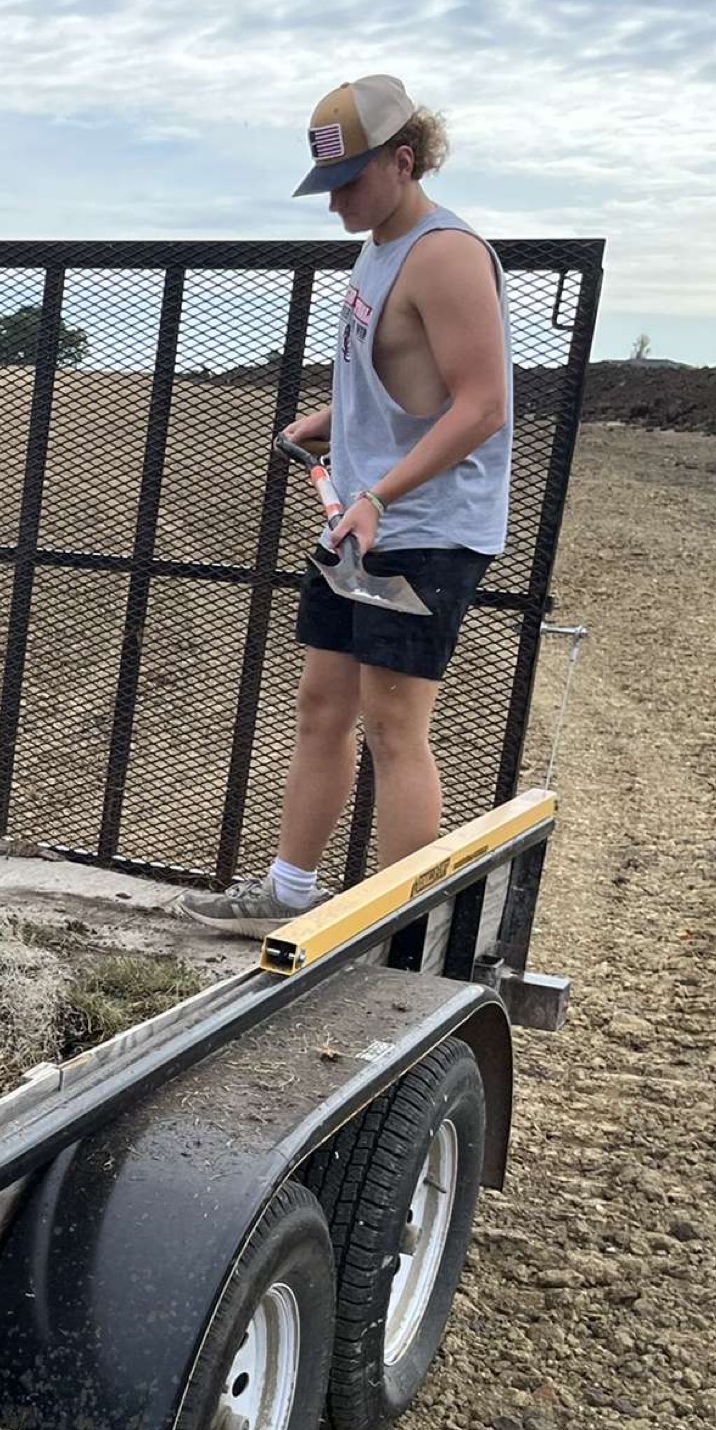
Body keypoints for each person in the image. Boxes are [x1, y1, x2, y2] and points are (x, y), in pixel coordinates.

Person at [186, 74, 512, 936]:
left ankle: (401, 938)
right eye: (327, 188)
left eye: (350, 184)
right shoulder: (379, 246)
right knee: (324, 706)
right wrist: (330, 424)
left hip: (424, 530)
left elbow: (482, 407)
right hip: (362, 521)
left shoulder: (447, 255)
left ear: (404, 161)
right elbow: (406, 388)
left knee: (394, 724)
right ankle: (290, 894)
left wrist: (377, 494)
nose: (335, 206)